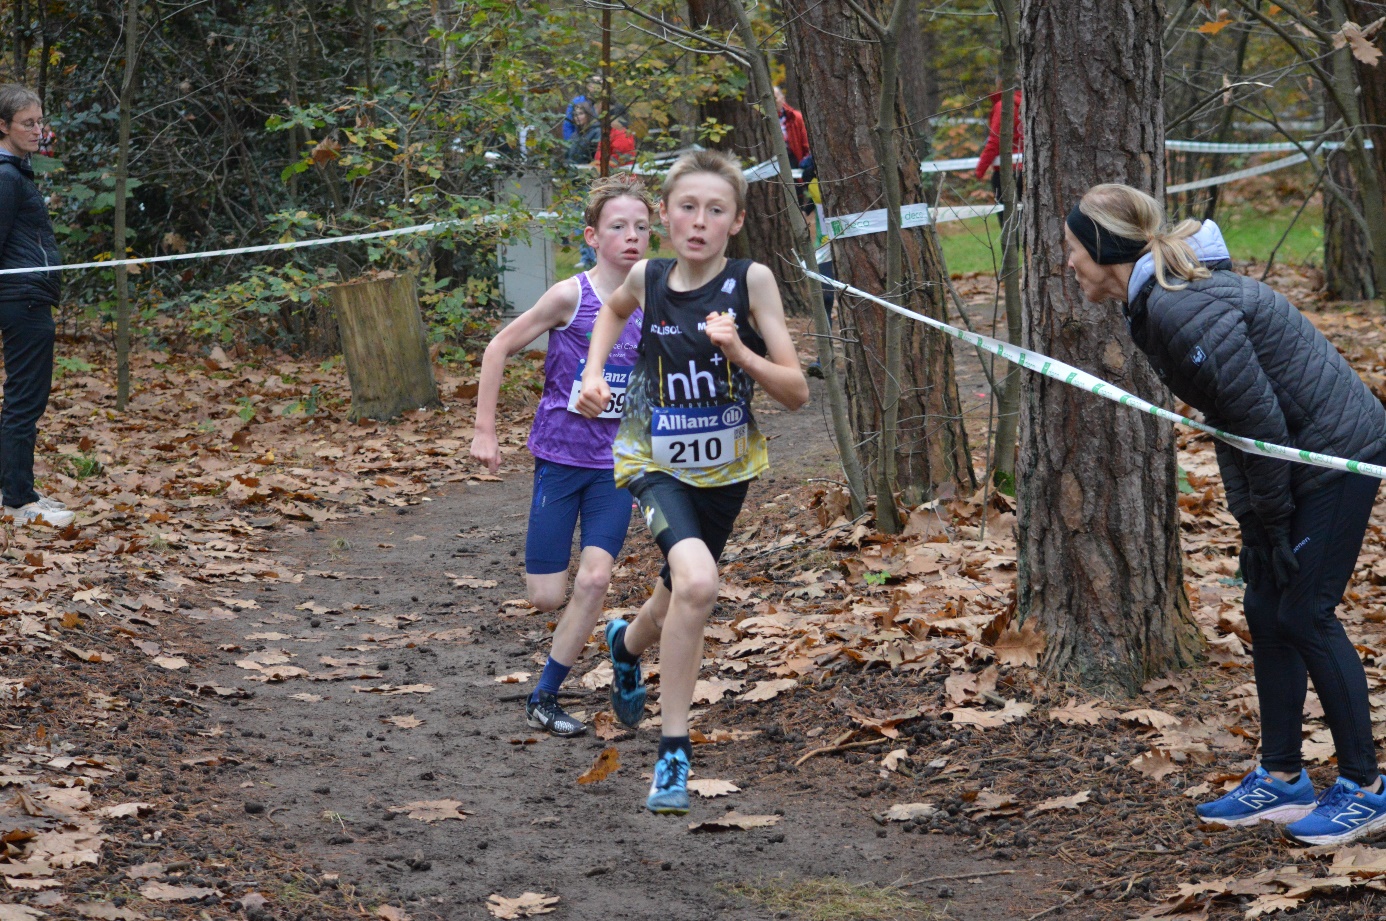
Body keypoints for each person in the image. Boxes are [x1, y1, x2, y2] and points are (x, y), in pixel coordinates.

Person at [1064, 183, 1386, 846]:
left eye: (1073, 249)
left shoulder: (1181, 312)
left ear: (1103, 249)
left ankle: (1365, 789)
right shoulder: (1159, 304)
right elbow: (1236, 423)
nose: (1068, 263)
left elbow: (1258, 421)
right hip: (1296, 451)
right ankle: (1284, 777)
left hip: (1339, 450)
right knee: (1267, 609)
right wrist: (1255, 524)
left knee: (1304, 611)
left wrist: (1271, 518)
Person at [576, 150, 809, 814]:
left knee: (678, 589)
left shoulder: (751, 281)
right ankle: (672, 752)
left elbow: (794, 392)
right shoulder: (648, 278)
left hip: (726, 471)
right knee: (700, 582)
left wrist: (740, 352)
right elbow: (610, 312)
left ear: (736, 221)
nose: (698, 222)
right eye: (686, 207)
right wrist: (595, 373)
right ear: (665, 217)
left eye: (714, 210)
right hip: (652, 460)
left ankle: (624, 643)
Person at [469, 174, 654, 737]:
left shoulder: (658, 297)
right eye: (617, 227)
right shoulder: (572, 295)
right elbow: (499, 345)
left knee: (595, 579)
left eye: (642, 227)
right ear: (592, 237)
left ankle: (546, 695)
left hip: (617, 469)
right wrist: (485, 430)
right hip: (559, 458)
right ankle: (587, 636)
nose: (631, 236)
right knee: (546, 597)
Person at [0, 85, 72, 529]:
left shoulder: (16, 172)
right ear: (2, 126)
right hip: (22, 300)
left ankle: (13, 487)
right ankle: (19, 501)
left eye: (39, 121)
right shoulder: (6, 177)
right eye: (27, 123)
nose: (37, 130)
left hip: (27, 297)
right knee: (25, 402)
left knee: (22, 401)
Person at [975, 88, 1023, 202]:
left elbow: (995, 140)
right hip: (1029, 169)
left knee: (1007, 213)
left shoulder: (1003, 106)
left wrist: (980, 170)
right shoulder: (1031, 103)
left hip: (1008, 171)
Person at [774, 87, 809, 169]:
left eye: (775, 98)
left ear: (783, 98)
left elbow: (806, 142)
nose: (773, 102)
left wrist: (806, 160)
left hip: (795, 160)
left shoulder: (796, 117)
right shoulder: (763, 120)